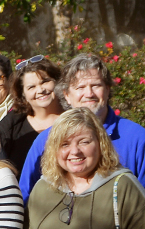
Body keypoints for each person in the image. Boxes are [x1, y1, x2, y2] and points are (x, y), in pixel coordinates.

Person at [25, 108, 145, 229]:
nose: (75, 152)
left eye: (84, 142)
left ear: (100, 143)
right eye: (65, 144)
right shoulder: (42, 189)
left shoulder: (122, 186)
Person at [19, 53, 145, 197]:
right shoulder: (45, 141)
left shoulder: (137, 138)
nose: (89, 93)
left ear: (108, 90)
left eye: (96, 85)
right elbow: (26, 198)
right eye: (80, 87)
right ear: (66, 94)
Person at [1, 56, 63, 174]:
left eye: (45, 81)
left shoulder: (74, 118)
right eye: (31, 87)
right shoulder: (11, 128)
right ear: (23, 94)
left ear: (57, 81)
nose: (40, 90)